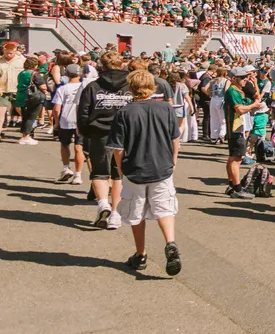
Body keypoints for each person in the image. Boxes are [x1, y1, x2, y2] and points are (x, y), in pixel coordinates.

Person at [106, 69, 182, 275]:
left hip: (135, 168)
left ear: (130, 89)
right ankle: (170, 242)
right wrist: (173, 161)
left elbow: (118, 148)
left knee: (136, 212)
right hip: (162, 166)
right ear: (153, 87)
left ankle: (140, 253)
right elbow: (175, 138)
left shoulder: (124, 113)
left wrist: (121, 170)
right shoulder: (165, 109)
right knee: (164, 208)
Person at [77, 50, 133, 229]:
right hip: (125, 134)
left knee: (100, 172)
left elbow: (83, 113)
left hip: (99, 133)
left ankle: (103, 204)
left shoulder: (93, 86)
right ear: (121, 65)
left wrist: (86, 132)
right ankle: (115, 213)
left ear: (101, 66)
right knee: (118, 175)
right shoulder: (130, 86)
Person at [223, 68, 259, 200]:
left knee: (234, 157)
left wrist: (254, 89)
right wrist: (253, 105)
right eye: (242, 77)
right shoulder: (233, 91)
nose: (245, 79)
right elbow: (239, 108)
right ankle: (237, 188)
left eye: (246, 77)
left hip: (239, 127)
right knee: (236, 158)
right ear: (234, 78)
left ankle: (233, 186)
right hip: (236, 127)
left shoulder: (239, 91)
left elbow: (256, 98)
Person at [52, 63, 86, 183]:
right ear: (80, 74)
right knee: (79, 147)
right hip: (80, 119)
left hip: (66, 119)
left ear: (66, 75)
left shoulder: (62, 88)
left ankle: (66, 168)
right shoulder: (85, 87)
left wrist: (56, 122)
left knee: (64, 144)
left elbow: (56, 108)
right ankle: (78, 174)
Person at [16, 55, 49, 144]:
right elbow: (43, 86)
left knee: (25, 116)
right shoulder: (34, 74)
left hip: (22, 96)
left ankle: (24, 135)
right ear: (35, 65)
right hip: (33, 97)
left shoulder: (21, 73)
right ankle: (27, 136)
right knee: (32, 117)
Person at [0, 40, 24, 138]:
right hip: (3, 91)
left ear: (15, 52)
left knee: (21, 111)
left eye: (11, 53)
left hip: (18, 90)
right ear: (3, 51)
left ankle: (27, 131)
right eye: (6, 53)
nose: (8, 55)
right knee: (1, 113)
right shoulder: (0, 61)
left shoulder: (22, 61)